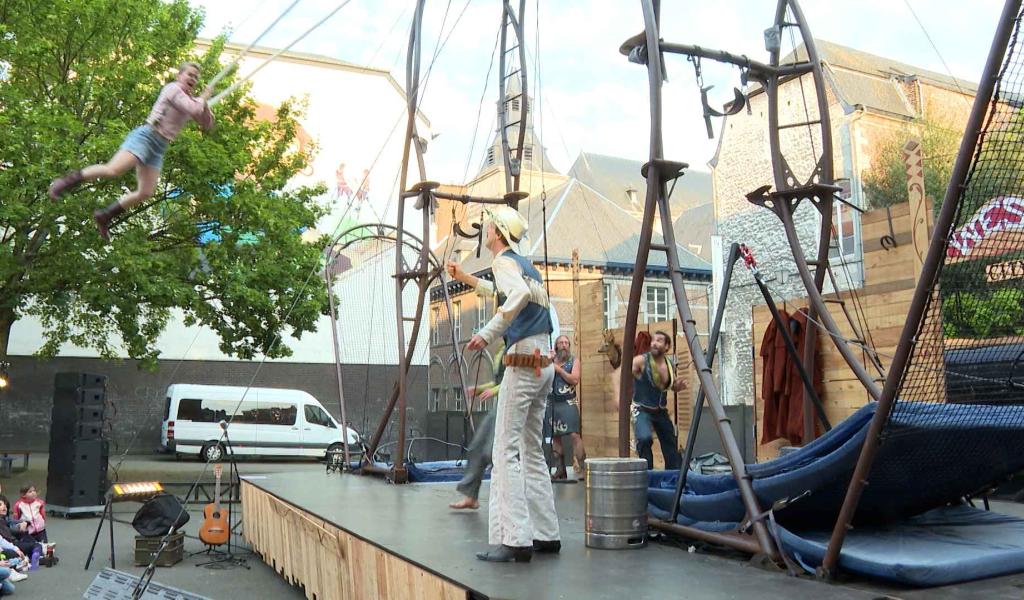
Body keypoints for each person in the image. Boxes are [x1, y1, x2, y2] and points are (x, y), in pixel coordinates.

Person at [451, 206, 560, 563]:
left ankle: (514, 539)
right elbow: (506, 291)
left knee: (504, 451)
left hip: (523, 360)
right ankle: (546, 533)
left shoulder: (502, 263)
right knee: (531, 449)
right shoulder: (525, 266)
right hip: (543, 363)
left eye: (488, 228)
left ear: (497, 232)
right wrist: (466, 279)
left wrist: (487, 332)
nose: (485, 231)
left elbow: (516, 296)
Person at [47, 61, 216, 241]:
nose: (193, 79)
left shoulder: (192, 100)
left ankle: (105, 215)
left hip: (159, 146)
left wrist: (205, 103)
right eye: (189, 74)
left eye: (196, 77)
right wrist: (203, 98)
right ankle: (63, 183)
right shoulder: (173, 89)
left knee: (146, 192)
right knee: (113, 170)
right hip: (147, 136)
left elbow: (207, 123)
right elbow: (193, 108)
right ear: (179, 75)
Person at [448, 343, 505, 511]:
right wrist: (480, 389)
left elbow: (520, 380)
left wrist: (495, 390)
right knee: (477, 447)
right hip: (499, 405)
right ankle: (471, 496)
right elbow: (499, 381)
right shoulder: (502, 349)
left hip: (513, 407)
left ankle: (508, 498)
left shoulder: (519, 345)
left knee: (492, 452)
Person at [631, 330, 687, 470]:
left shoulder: (669, 364)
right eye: (653, 340)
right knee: (644, 439)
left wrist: (677, 386)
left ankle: (673, 475)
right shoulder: (641, 361)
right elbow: (622, 373)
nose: (654, 343)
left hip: (660, 410)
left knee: (670, 441)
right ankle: (647, 475)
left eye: (659, 340)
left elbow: (671, 385)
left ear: (667, 346)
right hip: (642, 409)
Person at [547, 335, 586, 482]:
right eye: (561, 343)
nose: (564, 345)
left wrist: (559, 370)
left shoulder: (574, 361)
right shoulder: (550, 361)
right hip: (552, 403)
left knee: (574, 435)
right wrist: (548, 362)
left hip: (568, 402)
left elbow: (575, 379)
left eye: (566, 343)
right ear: (556, 346)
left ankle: (583, 469)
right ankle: (560, 470)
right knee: (555, 436)